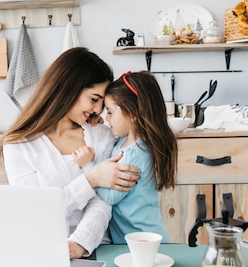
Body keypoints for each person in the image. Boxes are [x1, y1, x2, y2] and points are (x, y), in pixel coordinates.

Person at [0, 47, 141, 259]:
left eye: (102, 103)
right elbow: (34, 212)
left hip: (96, 249)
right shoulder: (18, 145)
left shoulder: (101, 136)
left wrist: (80, 243)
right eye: (93, 99)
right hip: (42, 251)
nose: (97, 109)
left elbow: (102, 202)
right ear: (68, 88)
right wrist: (90, 180)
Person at [72, 71, 178, 244]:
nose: (106, 118)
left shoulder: (135, 154)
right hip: (136, 239)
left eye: (111, 112)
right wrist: (96, 121)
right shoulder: (125, 142)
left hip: (144, 241)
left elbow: (111, 197)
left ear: (133, 114)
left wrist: (88, 166)